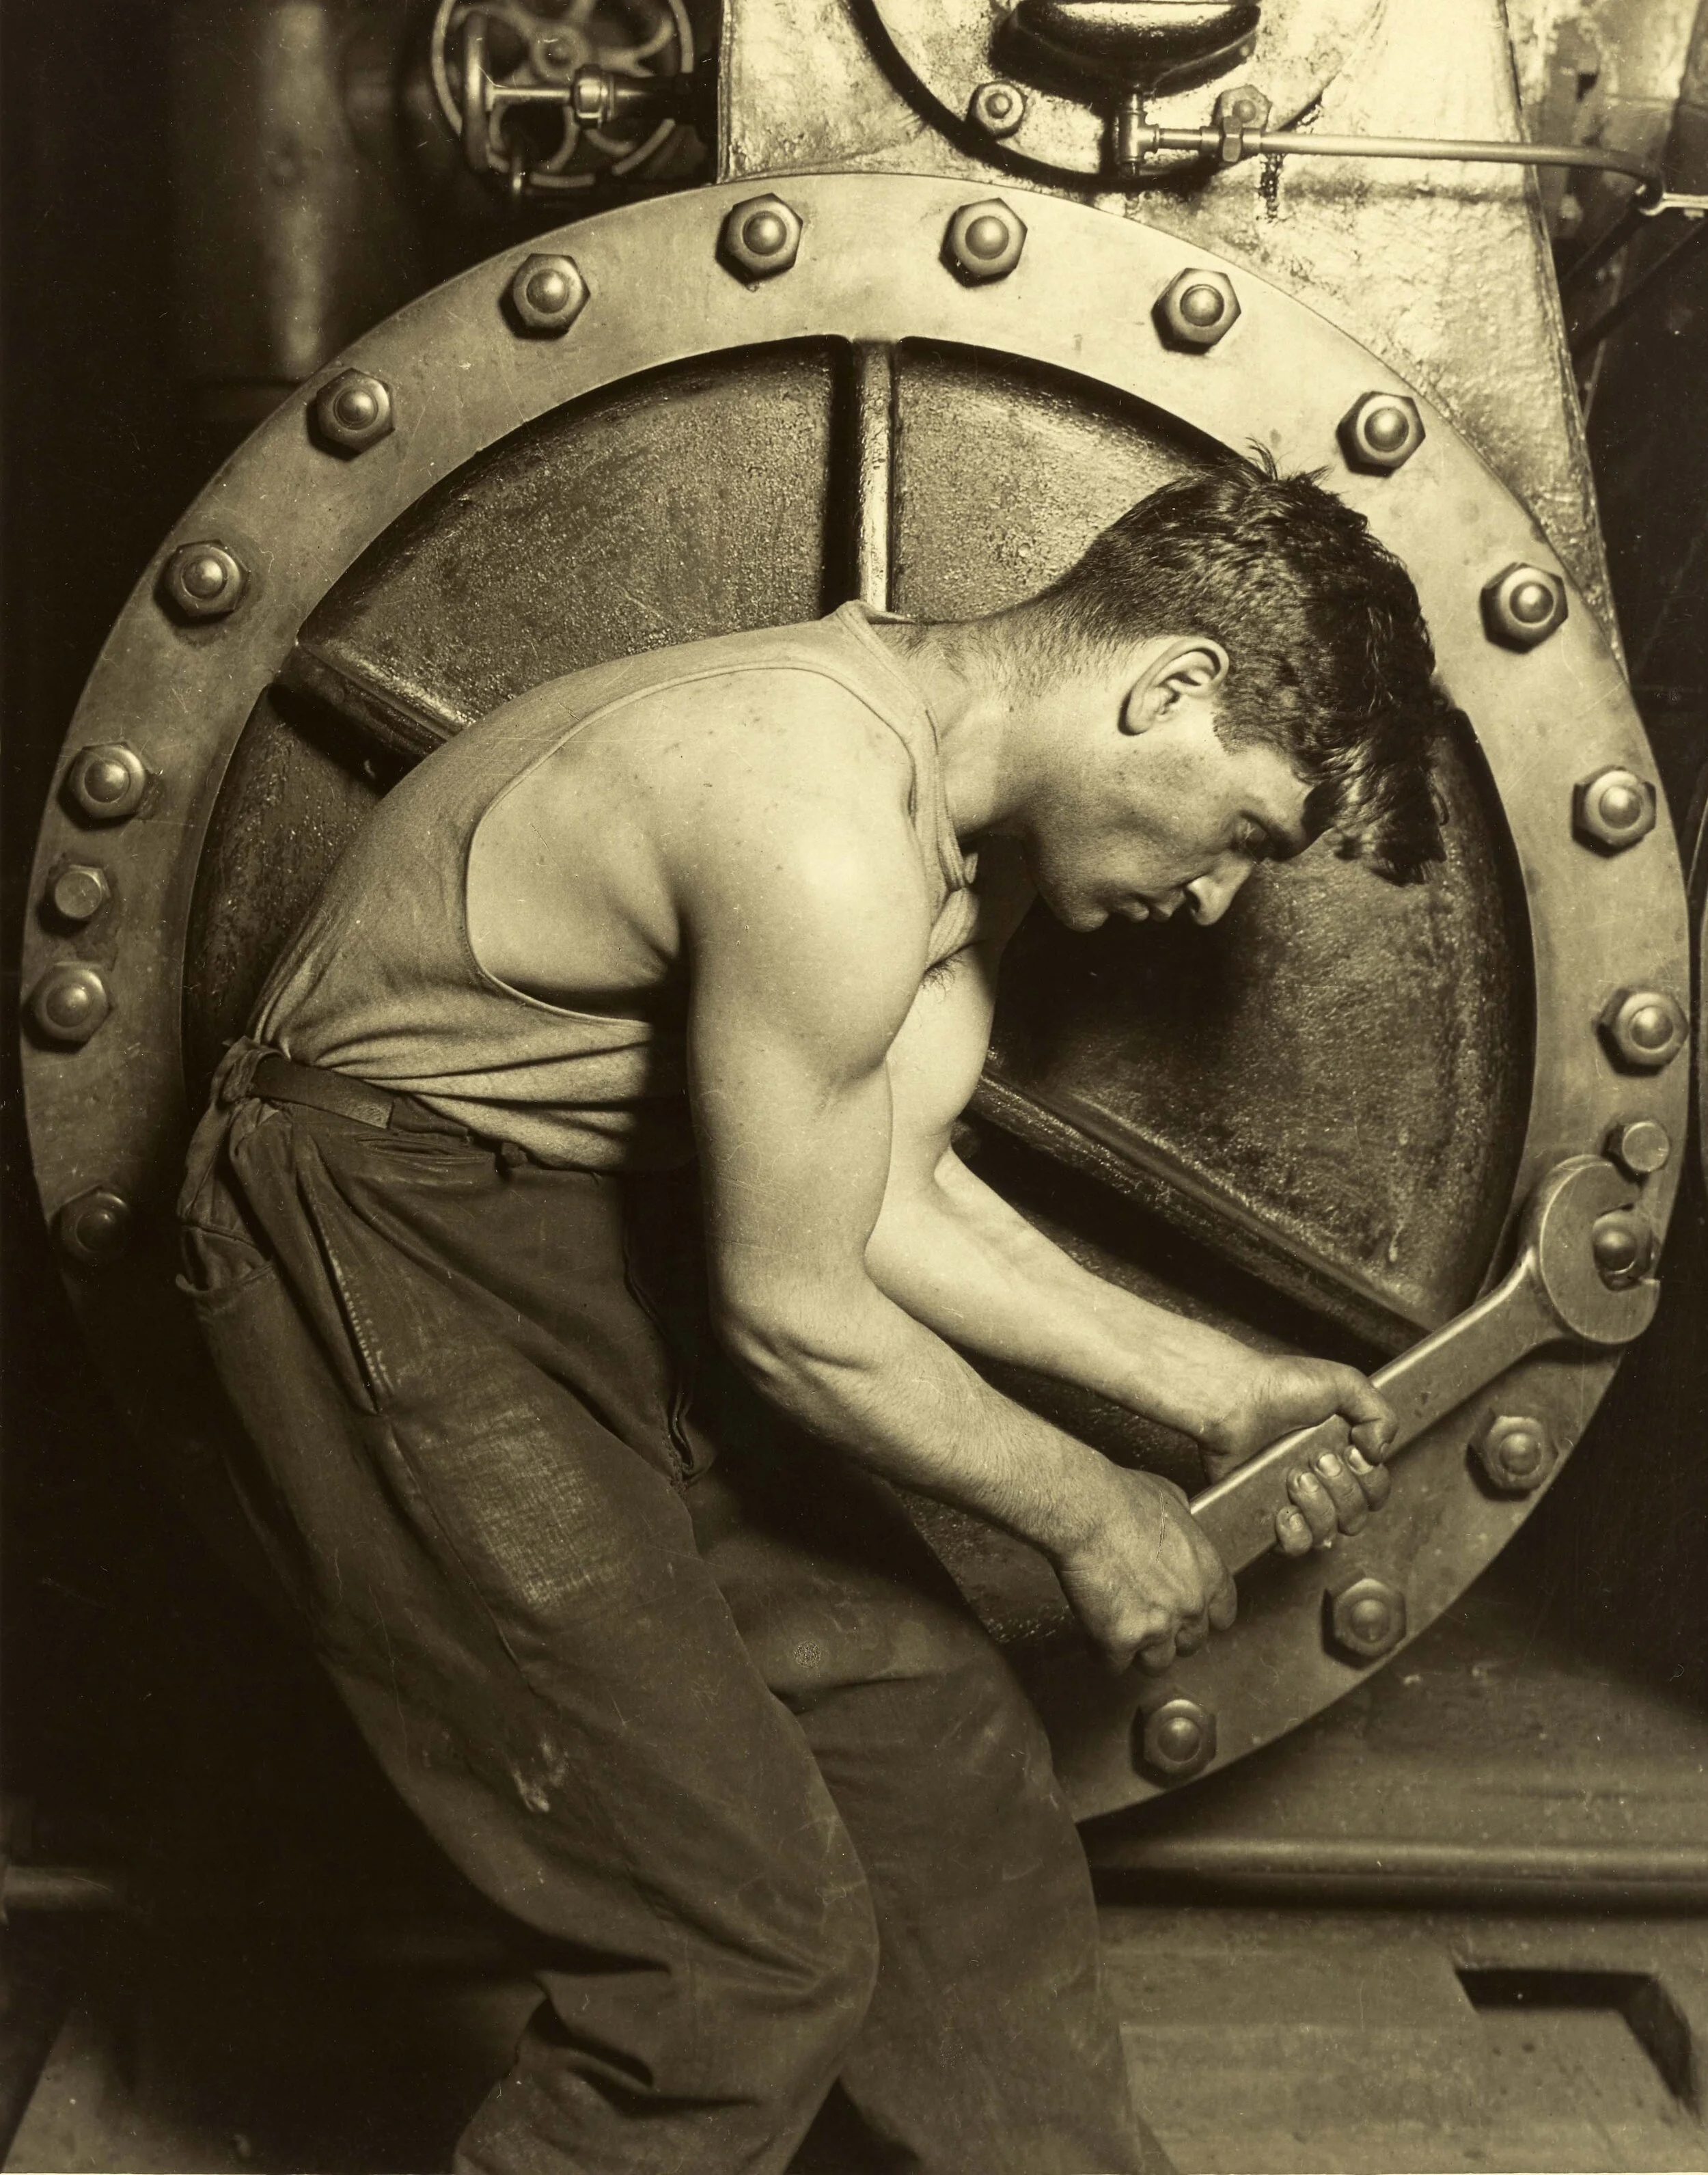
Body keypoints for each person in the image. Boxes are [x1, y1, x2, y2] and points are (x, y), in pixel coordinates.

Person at [178, 454, 1449, 2175]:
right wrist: (1093, 1509)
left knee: (939, 1765)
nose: (1215, 899)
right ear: (1169, 686)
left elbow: (884, 1197)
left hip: (581, 1240)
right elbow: (789, 1311)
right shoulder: (816, 816)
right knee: (734, 1954)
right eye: (1241, 835)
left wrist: (1215, 1389)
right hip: (376, 1241)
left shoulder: (956, 836)